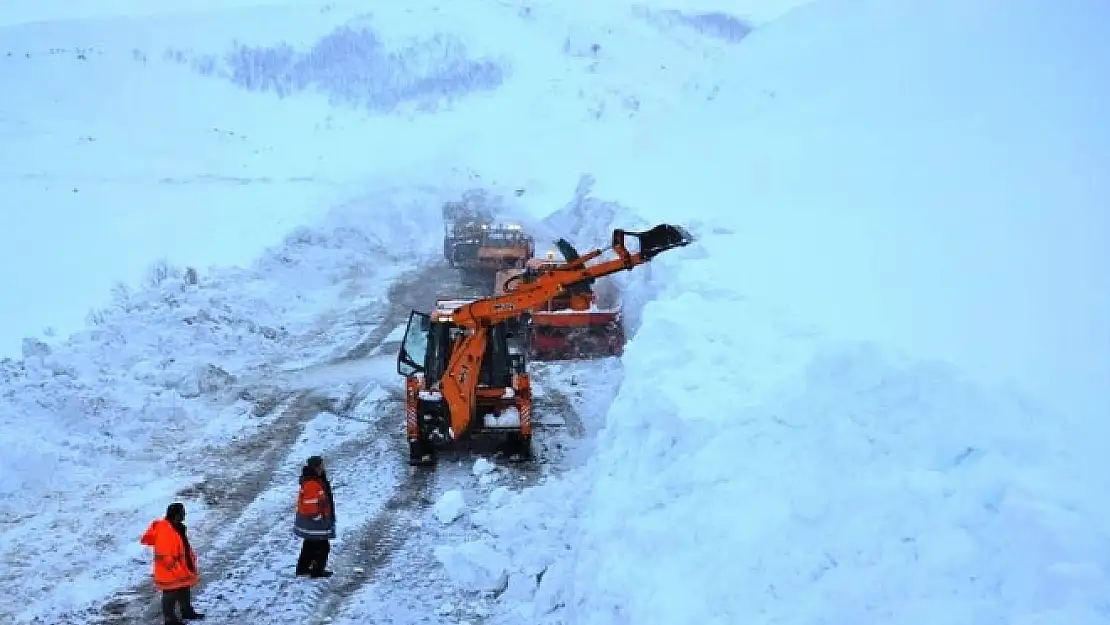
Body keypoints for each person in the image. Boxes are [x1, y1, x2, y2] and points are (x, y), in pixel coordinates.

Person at [140, 502, 205, 623]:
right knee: (170, 594)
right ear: (175, 515)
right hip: (170, 570)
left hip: (181, 567)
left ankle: (187, 612)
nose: (185, 515)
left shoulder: (177, 527)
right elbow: (163, 553)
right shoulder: (164, 530)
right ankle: (170, 620)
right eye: (182, 513)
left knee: (184, 589)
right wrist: (174, 567)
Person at [294, 455, 336, 577]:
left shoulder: (315, 479)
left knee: (310, 544)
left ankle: (303, 569)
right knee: (323, 546)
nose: (324, 467)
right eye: (322, 465)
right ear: (316, 467)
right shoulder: (312, 483)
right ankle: (317, 571)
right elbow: (309, 504)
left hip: (311, 521)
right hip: (315, 522)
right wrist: (318, 517)